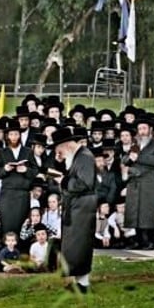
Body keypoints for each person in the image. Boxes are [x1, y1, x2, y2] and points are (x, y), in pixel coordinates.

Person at [54, 126, 96, 294]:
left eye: (59, 150)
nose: (59, 153)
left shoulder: (85, 157)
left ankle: (83, 284)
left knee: (80, 244)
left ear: (66, 145)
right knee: (75, 245)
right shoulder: (77, 156)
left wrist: (63, 181)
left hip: (83, 206)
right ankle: (79, 281)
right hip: (77, 205)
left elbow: (85, 183)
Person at [123, 117, 154, 250]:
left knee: (147, 211)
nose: (142, 132)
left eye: (144, 128)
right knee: (134, 211)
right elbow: (125, 160)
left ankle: (147, 240)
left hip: (149, 181)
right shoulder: (135, 144)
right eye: (140, 129)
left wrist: (139, 157)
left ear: (150, 130)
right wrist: (130, 158)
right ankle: (135, 240)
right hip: (134, 182)